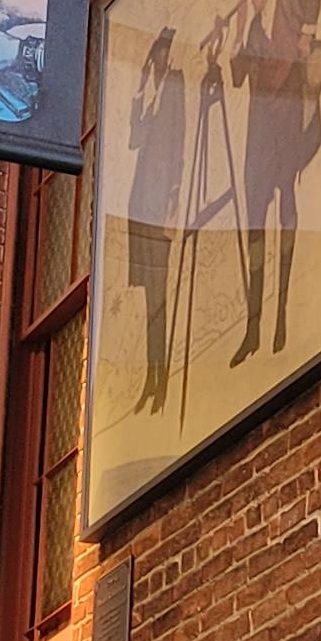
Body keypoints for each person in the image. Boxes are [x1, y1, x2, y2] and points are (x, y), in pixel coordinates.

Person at [230, 0, 321, 364]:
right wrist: (243, 25)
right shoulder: (254, 23)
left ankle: (281, 315)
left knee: (286, 203)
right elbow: (237, 76)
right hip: (260, 128)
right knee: (255, 216)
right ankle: (254, 323)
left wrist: (308, 29)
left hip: (287, 107)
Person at [124, 24, 188, 411]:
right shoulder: (148, 98)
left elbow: (179, 143)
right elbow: (134, 139)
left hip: (160, 198)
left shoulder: (176, 87)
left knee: (160, 293)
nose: (158, 62)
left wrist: (174, 200)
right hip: (139, 202)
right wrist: (138, 93)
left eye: (161, 55)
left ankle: (160, 379)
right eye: (154, 57)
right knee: (150, 293)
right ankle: (150, 376)